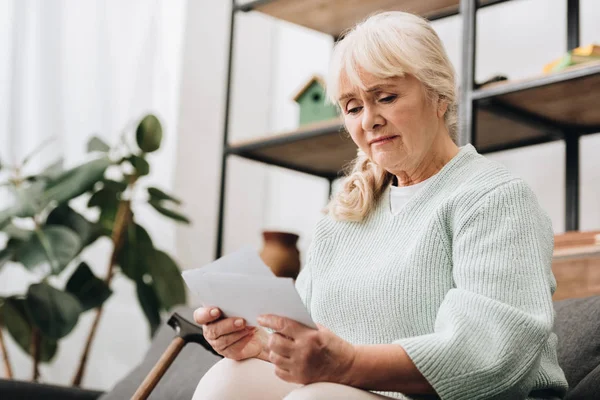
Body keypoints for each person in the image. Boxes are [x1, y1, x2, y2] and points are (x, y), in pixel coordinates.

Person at [192, 11, 568, 400]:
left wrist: (348, 364)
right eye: (353, 107)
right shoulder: (344, 213)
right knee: (227, 380)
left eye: (385, 97)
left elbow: (491, 350)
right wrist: (259, 344)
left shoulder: (494, 197)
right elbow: (310, 337)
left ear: (438, 95)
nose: (369, 120)